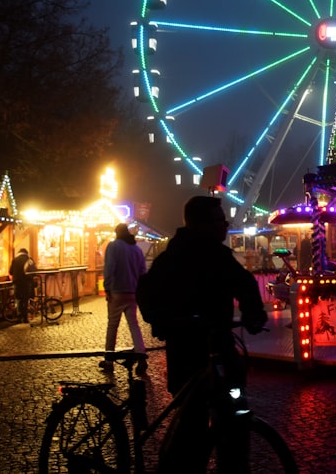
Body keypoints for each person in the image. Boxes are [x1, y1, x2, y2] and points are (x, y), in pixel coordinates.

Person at [141, 196, 267, 473]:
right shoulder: (182, 257)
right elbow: (149, 296)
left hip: (213, 345)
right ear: (201, 224)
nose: (225, 225)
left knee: (230, 412)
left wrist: (252, 311)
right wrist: (170, 322)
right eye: (219, 220)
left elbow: (243, 284)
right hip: (189, 350)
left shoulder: (182, 255)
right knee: (193, 424)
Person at [100, 222, 149, 372]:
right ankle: (141, 356)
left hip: (117, 291)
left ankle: (109, 360)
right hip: (132, 292)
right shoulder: (136, 249)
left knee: (113, 325)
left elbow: (109, 268)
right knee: (134, 324)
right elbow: (143, 271)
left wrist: (107, 287)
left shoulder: (113, 246)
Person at [8, 248, 36, 323]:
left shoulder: (15, 260)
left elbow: (10, 272)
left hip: (17, 282)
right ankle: (25, 317)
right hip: (27, 282)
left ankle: (19, 317)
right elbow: (34, 271)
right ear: (26, 253)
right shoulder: (29, 259)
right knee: (25, 300)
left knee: (19, 300)